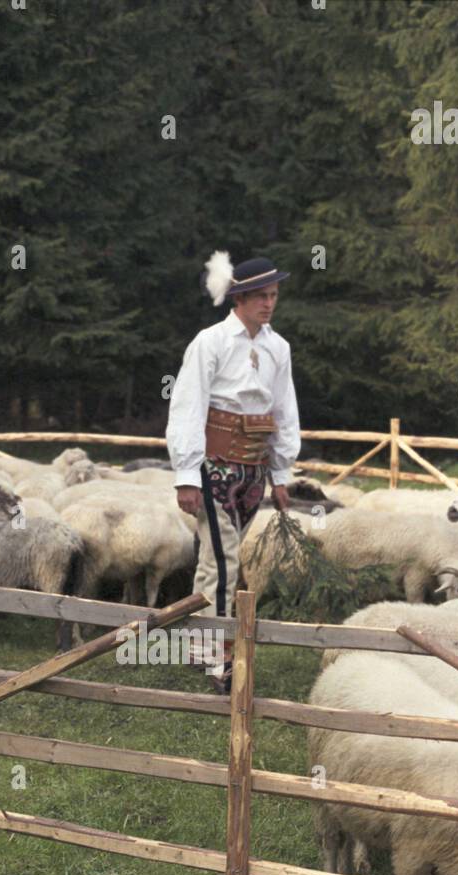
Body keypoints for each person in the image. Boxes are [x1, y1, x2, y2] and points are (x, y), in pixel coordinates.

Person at [166, 252, 301, 694]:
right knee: (224, 561)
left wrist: (281, 472)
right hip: (213, 465)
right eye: (261, 296)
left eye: (274, 295)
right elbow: (188, 406)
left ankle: (199, 644)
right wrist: (187, 474)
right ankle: (221, 657)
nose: (269, 303)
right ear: (239, 298)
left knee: (216, 559)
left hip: (253, 468)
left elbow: (284, 409)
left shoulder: (277, 347)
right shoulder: (210, 342)